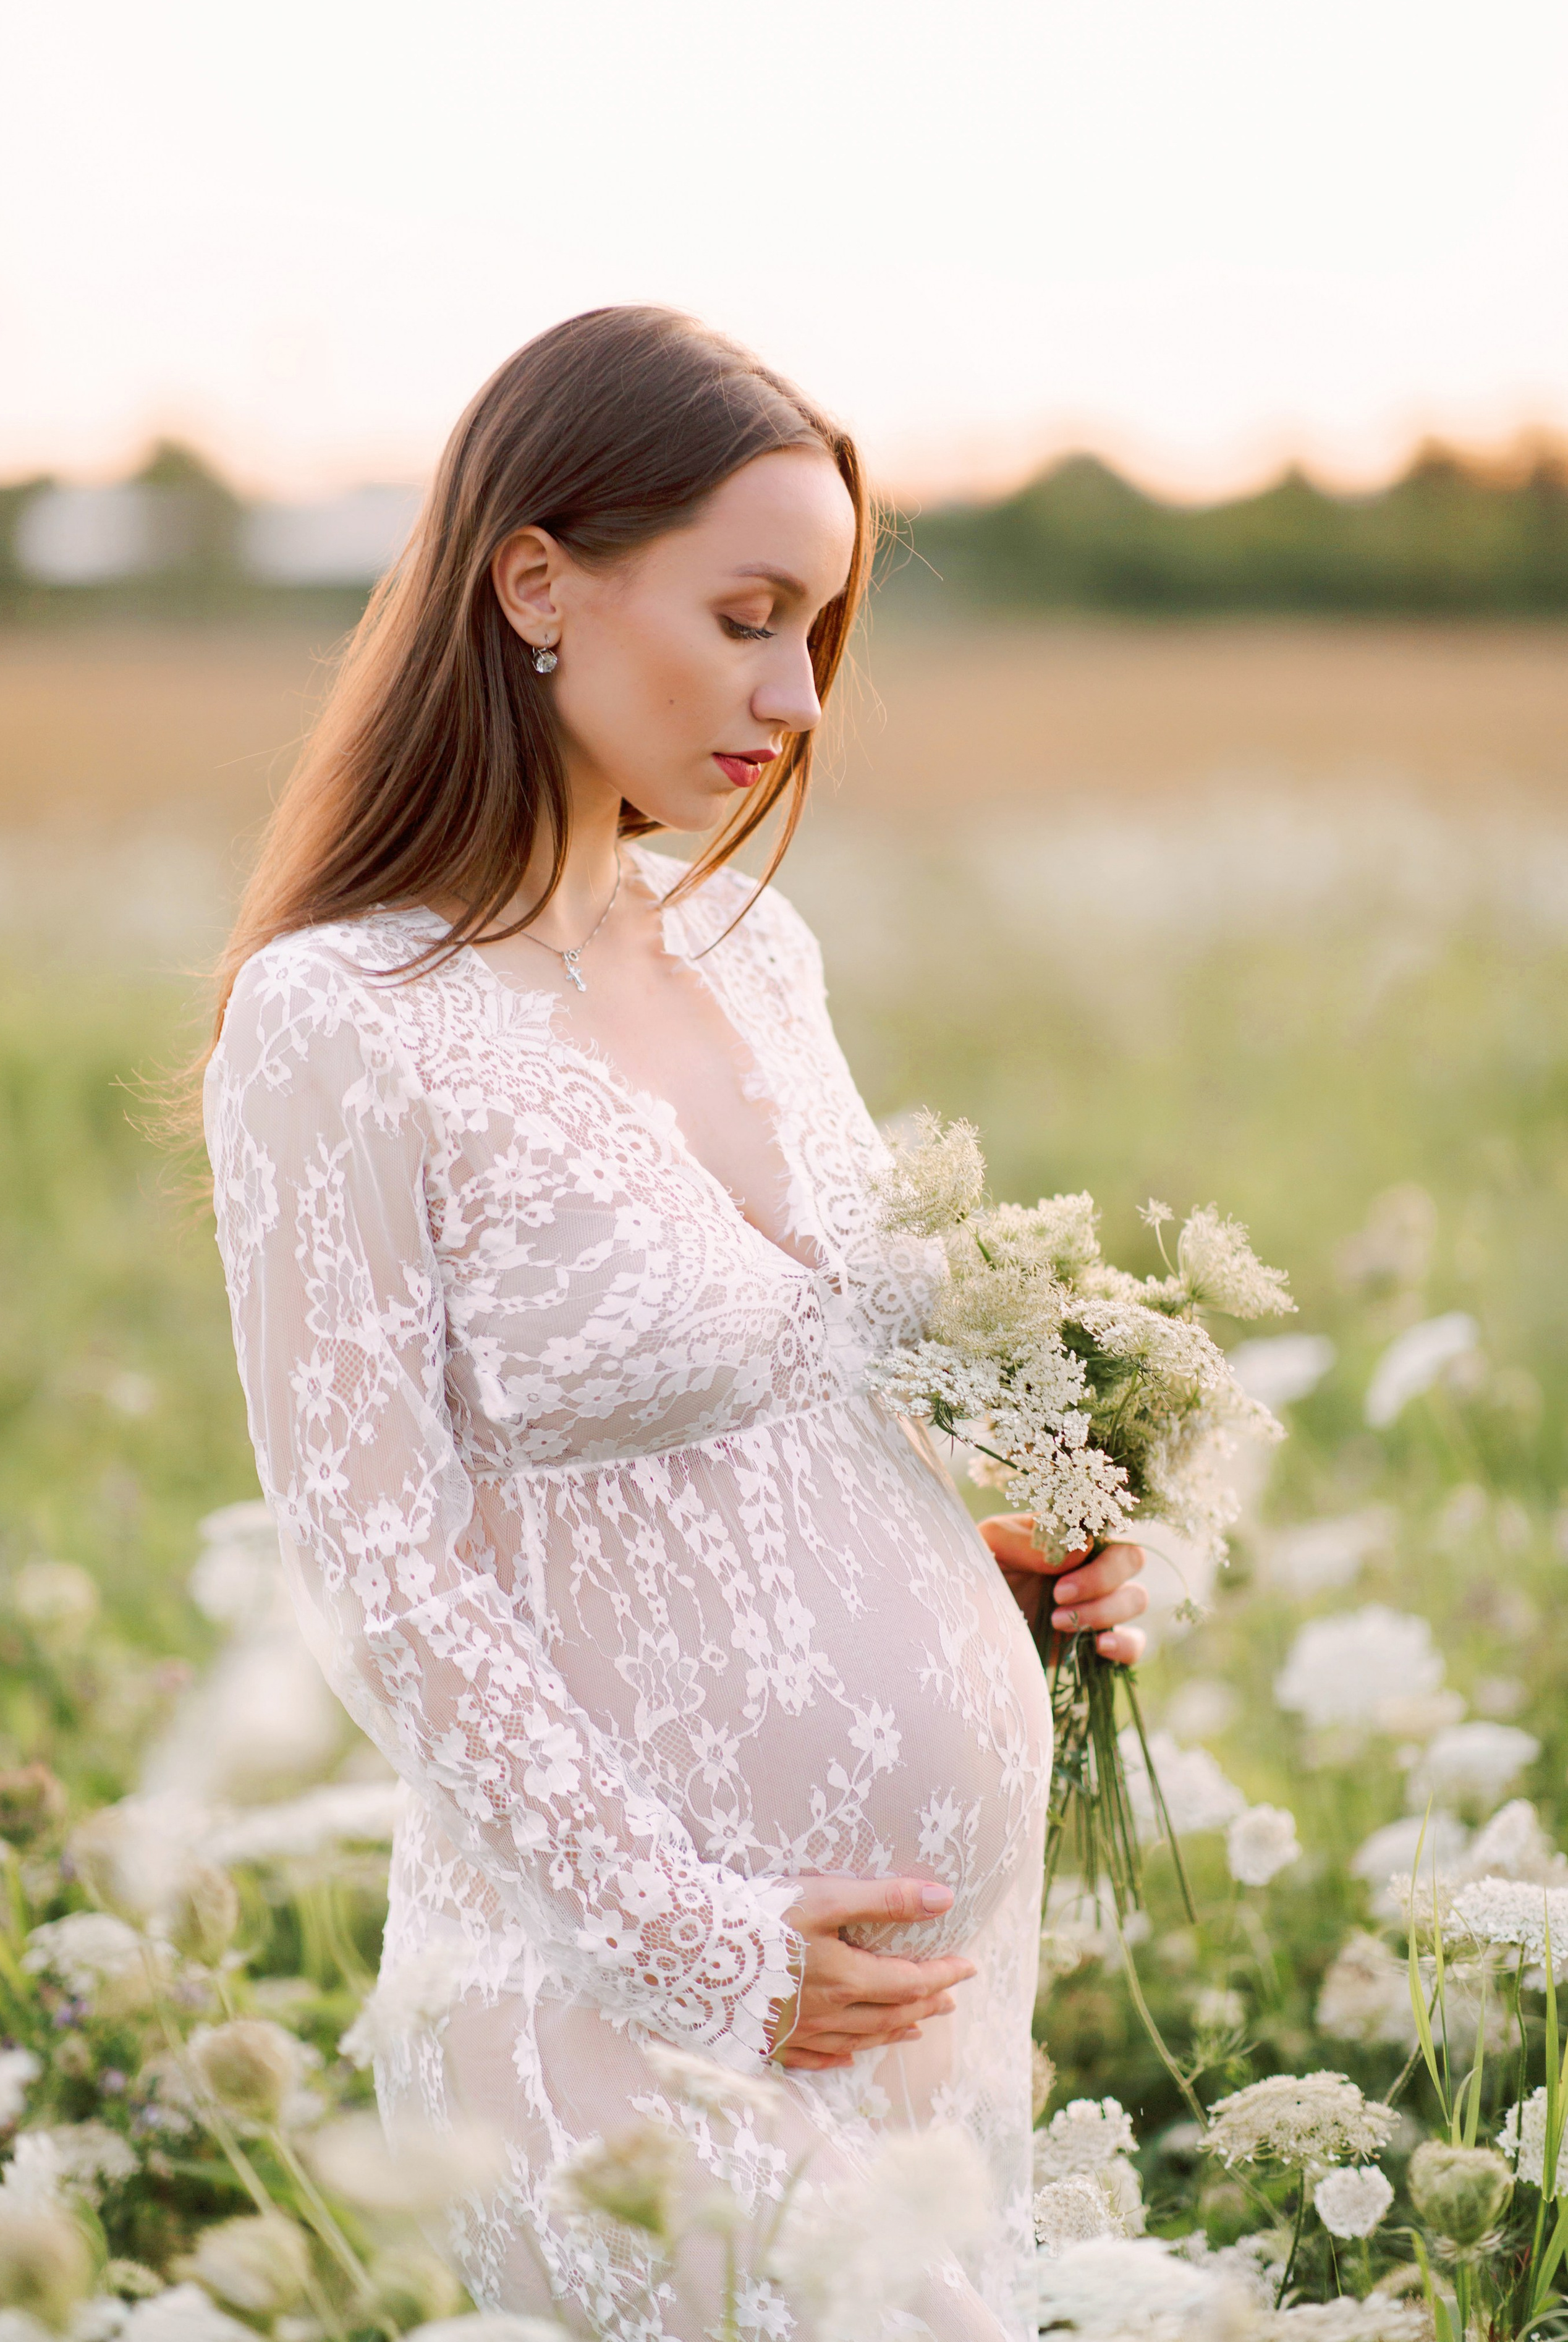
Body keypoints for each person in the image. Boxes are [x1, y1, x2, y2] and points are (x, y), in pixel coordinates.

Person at [204, 307, 1148, 2341]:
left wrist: (997, 1569)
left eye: (819, 628)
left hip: (919, 2020)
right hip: (620, 2019)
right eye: (745, 618)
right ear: (535, 579)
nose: (796, 696)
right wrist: (696, 1949)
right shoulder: (339, 1025)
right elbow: (380, 1568)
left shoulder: (754, 946)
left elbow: (818, 1380)